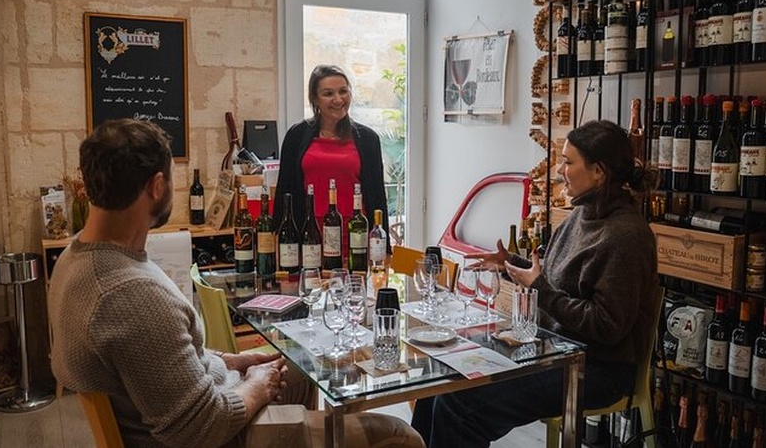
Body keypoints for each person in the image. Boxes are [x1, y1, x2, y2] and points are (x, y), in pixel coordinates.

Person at [48, 118, 421, 448]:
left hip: (204, 398)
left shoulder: (76, 258)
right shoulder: (129, 295)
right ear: (157, 185)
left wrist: (233, 360)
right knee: (402, 435)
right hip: (224, 435)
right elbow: (198, 429)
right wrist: (254, 384)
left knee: (303, 365)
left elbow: (159, 360)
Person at [411, 120, 659, 447]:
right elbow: (555, 280)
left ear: (599, 171)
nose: (558, 170)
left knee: (461, 407)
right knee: (440, 379)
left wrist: (539, 288)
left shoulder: (626, 236)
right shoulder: (579, 217)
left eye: (568, 162)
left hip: (596, 368)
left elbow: (607, 324)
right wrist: (510, 265)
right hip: (550, 349)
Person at [274, 64, 390, 249]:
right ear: (315, 98)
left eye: (343, 91)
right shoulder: (296, 135)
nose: (338, 99)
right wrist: (277, 243)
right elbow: (284, 191)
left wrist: (385, 248)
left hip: (356, 238)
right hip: (308, 237)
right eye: (328, 94)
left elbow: (377, 197)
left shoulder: (368, 139)